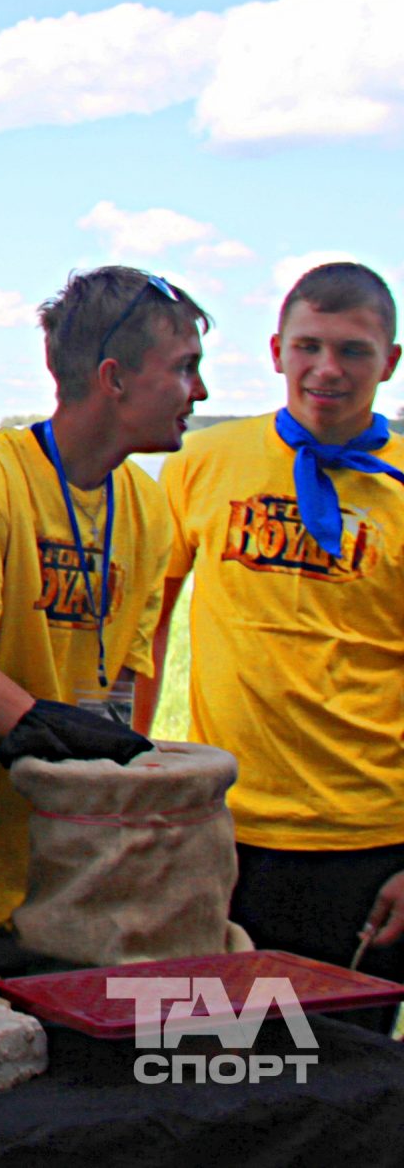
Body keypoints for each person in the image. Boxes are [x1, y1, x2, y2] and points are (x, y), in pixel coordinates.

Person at [0, 267, 208, 928]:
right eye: (184, 369)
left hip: (68, 866)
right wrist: (77, 748)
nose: (200, 391)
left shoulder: (148, 507)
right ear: (115, 377)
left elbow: (121, 682)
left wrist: (119, 775)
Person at [146, 262, 404, 1001]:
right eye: (308, 346)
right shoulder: (205, 462)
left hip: (366, 838)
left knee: (347, 1080)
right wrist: (136, 775)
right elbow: (148, 630)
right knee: (215, 1056)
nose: (328, 369)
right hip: (223, 826)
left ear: (389, 361)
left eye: (353, 350)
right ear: (275, 351)